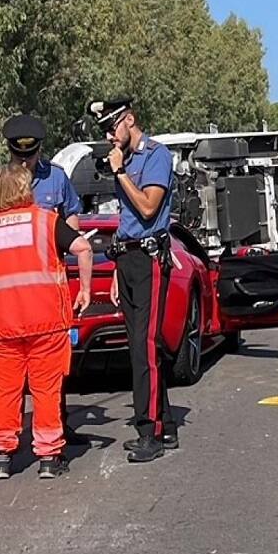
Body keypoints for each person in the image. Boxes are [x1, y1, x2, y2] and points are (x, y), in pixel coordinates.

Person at [0, 161, 93, 481]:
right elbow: (83, 247)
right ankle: (49, 457)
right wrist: (86, 291)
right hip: (46, 320)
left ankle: (1, 456)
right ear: (26, 188)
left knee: (5, 391)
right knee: (46, 390)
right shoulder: (46, 221)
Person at [92, 96, 179, 463]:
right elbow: (125, 221)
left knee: (146, 346)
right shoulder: (124, 160)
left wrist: (120, 173)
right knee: (137, 347)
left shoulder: (156, 156)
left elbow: (147, 207)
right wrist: (115, 269)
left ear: (130, 120)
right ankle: (167, 422)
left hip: (149, 259)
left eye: (113, 128)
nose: (111, 136)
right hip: (127, 257)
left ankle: (151, 432)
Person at [0, 114, 83, 230]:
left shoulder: (56, 177)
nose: (24, 163)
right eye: (19, 157)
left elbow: (71, 215)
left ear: (38, 149)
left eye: (29, 157)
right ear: (10, 149)